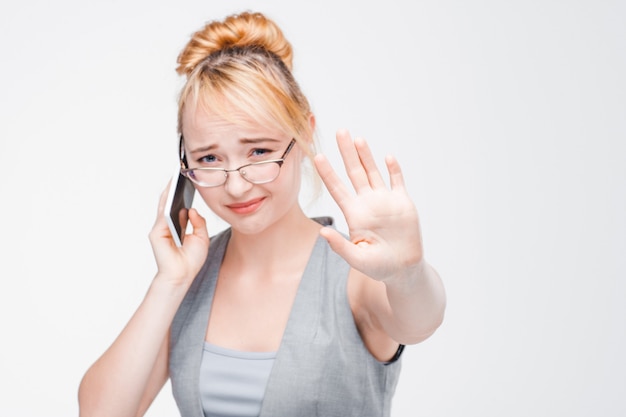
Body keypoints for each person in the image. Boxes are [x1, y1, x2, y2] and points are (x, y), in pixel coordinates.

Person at [78, 10, 446, 417]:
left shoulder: (355, 271)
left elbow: (419, 322)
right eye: (210, 158)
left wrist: (407, 274)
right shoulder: (191, 282)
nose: (236, 185)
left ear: (303, 134)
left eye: (259, 151)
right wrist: (170, 283)